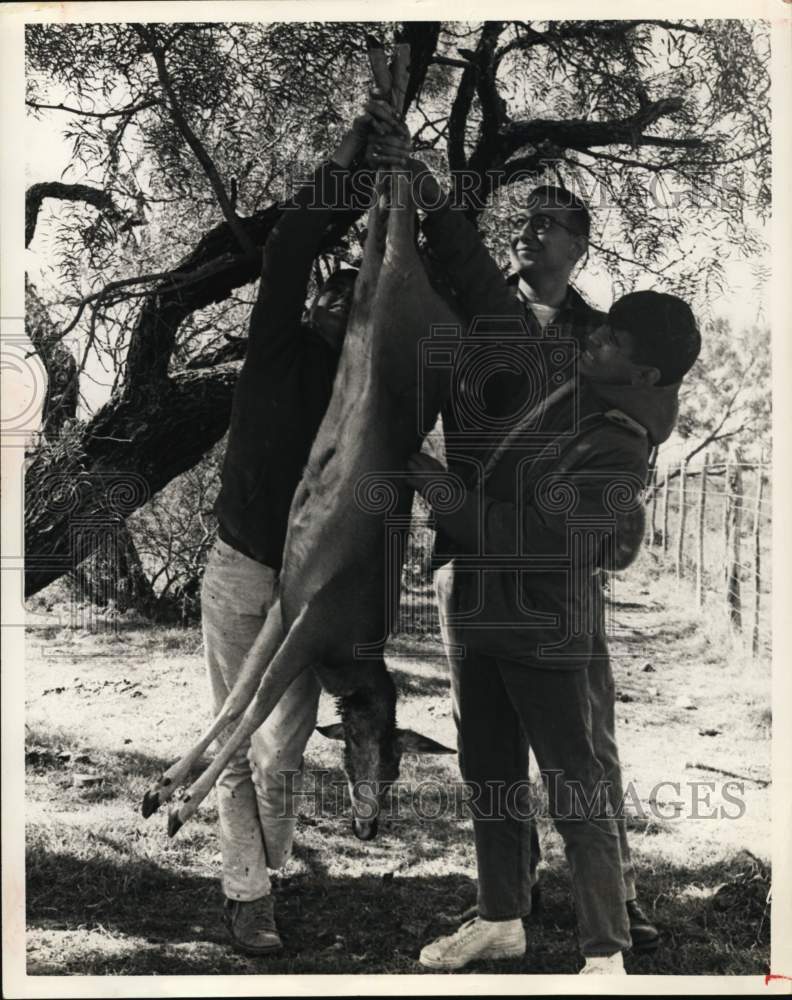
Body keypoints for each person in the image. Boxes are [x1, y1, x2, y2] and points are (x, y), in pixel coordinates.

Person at [365, 100, 660, 955]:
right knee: (486, 755)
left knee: (583, 747)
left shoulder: (599, 343)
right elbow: (450, 250)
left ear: (581, 246)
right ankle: (507, 909)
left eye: (555, 224)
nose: (535, 232)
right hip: (471, 564)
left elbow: (639, 438)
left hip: (555, 579)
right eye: (529, 219)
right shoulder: (472, 314)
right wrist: (415, 180)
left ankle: (617, 911)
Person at [406, 289, 701, 974]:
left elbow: (533, 539)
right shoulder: (580, 389)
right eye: (604, 328)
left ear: (646, 376)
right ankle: (502, 918)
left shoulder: (621, 445)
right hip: (484, 612)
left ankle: (605, 955)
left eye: (614, 342)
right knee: (489, 774)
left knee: (577, 787)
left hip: (543, 629)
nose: (596, 339)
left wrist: (430, 479)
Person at [201, 110, 381, 956]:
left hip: (308, 592)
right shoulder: (275, 345)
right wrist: (353, 153)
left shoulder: (364, 394)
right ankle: (248, 895)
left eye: (358, 295)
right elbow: (288, 244)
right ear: (316, 295)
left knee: (285, 748)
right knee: (235, 739)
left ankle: (271, 857)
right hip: (240, 572)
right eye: (334, 284)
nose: (342, 297)